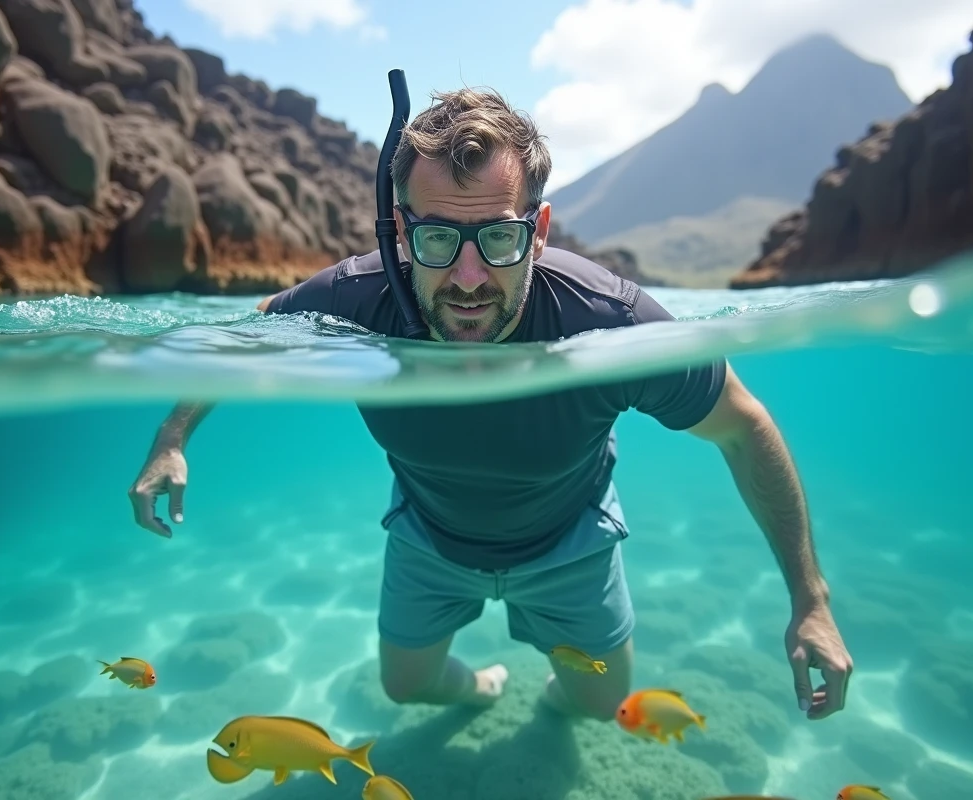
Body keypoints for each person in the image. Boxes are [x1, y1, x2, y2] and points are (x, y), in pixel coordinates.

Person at [128, 87, 853, 723]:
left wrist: (811, 600)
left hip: (572, 543)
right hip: (427, 537)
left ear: (537, 233)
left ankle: (552, 695)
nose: (469, 276)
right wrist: (172, 434)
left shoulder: (614, 321)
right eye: (439, 238)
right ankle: (480, 688)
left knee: (603, 706)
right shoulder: (353, 300)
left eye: (500, 238)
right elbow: (249, 331)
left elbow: (743, 426)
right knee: (407, 690)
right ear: (404, 232)